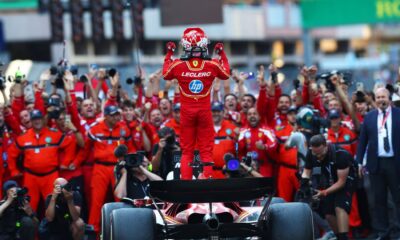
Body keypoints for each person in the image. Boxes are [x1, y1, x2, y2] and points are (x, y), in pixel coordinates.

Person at [162, 27, 230, 179]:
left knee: (187, 151)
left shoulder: (178, 65)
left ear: (185, 45)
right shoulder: (212, 65)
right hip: (205, 112)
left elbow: (165, 74)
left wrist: (169, 53)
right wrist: (222, 54)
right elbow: (225, 74)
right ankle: (207, 182)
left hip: (187, 113)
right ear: (204, 44)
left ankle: (186, 185)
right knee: (206, 151)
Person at [356, 87, 400, 240]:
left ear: (389, 98)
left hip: (395, 163)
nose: (381, 99)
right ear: (375, 99)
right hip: (376, 164)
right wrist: (359, 162)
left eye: (384, 96)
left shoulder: (398, 114)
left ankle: (398, 231)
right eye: (378, 97)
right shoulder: (369, 117)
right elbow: (363, 142)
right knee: (378, 199)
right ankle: (382, 231)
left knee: (397, 198)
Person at [7, 109, 72, 212]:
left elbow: (70, 144)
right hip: (31, 177)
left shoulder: (54, 134)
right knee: (28, 206)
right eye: (34, 119)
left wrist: (66, 162)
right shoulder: (24, 137)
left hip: (51, 175)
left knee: (54, 204)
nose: (37, 121)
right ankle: (30, 227)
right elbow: (11, 153)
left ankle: (52, 228)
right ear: (31, 121)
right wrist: (13, 170)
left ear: (43, 119)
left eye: (39, 119)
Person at [85, 105, 134, 233]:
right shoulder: (95, 129)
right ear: (106, 116)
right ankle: (93, 232)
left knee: (121, 200)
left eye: (118, 114)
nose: (116, 117)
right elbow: (85, 149)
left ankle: (124, 231)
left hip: (118, 167)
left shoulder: (124, 129)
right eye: (113, 115)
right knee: (96, 201)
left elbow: (131, 149)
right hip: (100, 167)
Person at [301, 135, 356, 240]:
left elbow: (341, 182)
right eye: (315, 154)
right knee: (328, 213)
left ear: (326, 146)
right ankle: (338, 236)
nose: (318, 157)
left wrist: (325, 192)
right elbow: (307, 171)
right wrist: (304, 185)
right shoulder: (311, 153)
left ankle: (344, 237)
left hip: (346, 179)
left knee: (340, 206)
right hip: (329, 179)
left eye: (320, 154)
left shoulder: (341, 155)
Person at [238, 107, 277, 177]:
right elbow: (239, 148)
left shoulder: (267, 130)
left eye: (254, 114)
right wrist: (236, 139)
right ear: (246, 117)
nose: (252, 116)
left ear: (259, 117)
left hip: (264, 166)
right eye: (249, 114)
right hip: (247, 166)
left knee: (264, 187)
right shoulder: (242, 131)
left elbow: (273, 144)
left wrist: (264, 146)